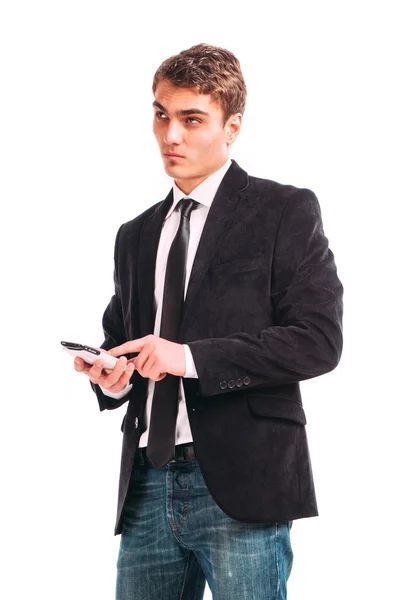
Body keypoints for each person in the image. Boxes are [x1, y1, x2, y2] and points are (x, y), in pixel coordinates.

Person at [74, 43, 343, 600]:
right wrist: (112, 373)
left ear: (232, 126)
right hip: (147, 485)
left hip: (242, 484)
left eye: (191, 119)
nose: (171, 135)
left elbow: (318, 341)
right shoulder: (136, 234)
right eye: (161, 114)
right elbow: (124, 336)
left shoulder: (283, 211)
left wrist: (191, 358)